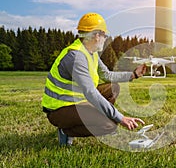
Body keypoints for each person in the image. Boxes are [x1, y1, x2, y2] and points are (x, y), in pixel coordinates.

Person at [41, 12, 147, 146]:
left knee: (113, 87)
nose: (105, 38)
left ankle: (99, 116)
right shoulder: (76, 57)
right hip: (59, 109)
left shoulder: (91, 52)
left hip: (78, 100)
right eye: (104, 35)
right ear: (97, 36)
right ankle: (66, 131)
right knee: (110, 125)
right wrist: (120, 118)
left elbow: (107, 75)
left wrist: (134, 74)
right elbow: (90, 92)